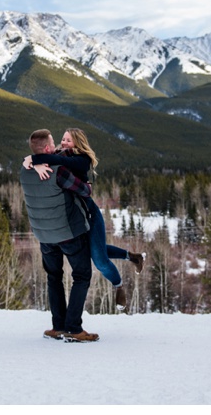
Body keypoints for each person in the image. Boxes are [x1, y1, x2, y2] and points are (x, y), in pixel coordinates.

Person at [23, 127, 146, 312]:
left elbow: (53, 159)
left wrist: (33, 160)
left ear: (78, 144)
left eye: (68, 140)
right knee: (91, 249)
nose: (63, 143)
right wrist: (33, 162)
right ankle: (133, 256)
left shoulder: (81, 160)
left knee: (99, 260)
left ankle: (118, 285)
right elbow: (43, 153)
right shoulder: (57, 154)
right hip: (74, 215)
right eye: (63, 139)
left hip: (89, 212)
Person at [20, 129, 99, 343]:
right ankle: (74, 328)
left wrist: (33, 160)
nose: (57, 145)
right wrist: (87, 187)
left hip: (44, 236)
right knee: (81, 275)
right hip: (68, 231)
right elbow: (84, 190)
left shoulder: (25, 170)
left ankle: (58, 326)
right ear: (47, 148)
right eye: (54, 142)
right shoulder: (59, 171)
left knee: (53, 277)